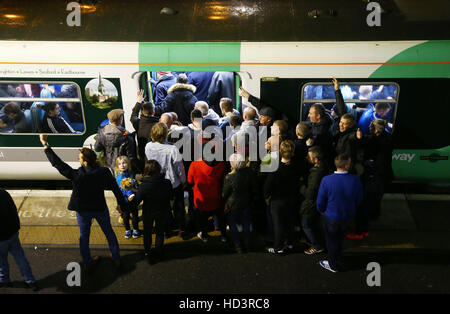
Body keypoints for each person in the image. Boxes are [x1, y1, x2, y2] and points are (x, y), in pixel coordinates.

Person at [39, 134, 126, 271]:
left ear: (85, 162)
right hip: (99, 208)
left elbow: (58, 164)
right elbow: (116, 189)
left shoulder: (77, 175)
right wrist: (122, 205)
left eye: (79, 158)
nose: (78, 160)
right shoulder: (104, 172)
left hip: (82, 211)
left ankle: (87, 262)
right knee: (109, 232)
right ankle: (116, 258)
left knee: (84, 237)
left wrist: (45, 144)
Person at [347, 119, 393, 239]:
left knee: (362, 206)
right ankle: (366, 228)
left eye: (370, 128)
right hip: (383, 176)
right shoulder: (388, 138)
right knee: (374, 202)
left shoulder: (374, 140)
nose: (369, 129)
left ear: (375, 130)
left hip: (372, 176)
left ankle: (359, 232)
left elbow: (364, 151)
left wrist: (359, 139)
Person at [316, 154, 363, 272]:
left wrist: (322, 211)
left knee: (331, 241)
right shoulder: (356, 180)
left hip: (331, 217)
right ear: (347, 165)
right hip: (347, 216)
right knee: (340, 238)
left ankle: (333, 265)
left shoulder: (326, 180)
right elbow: (359, 200)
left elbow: (320, 202)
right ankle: (338, 256)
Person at [145, 122, 187, 239]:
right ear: (165, 134)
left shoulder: (148, 147)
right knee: (178, 207)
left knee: (163, 208)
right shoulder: (173, 149)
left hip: (158, 183)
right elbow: (180, 168)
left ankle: (166, 231)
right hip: (173, 183)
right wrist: (184, 181)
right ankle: (182, 229)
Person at [263, 140, 302, 254]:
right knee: (290, 221)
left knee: (278, 224)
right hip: (291, 198)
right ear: (293, 153)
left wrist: (266, 197)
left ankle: (278, 247)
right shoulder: (296, 167)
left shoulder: (275, 169)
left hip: (277, 200)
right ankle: (290, 243)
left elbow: (267, 186)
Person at [131, 160, 173, 264]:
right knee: (159, 233)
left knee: (147, 232)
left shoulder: (144, 185)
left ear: (147, 171)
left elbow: (137, 201)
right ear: (158, 170)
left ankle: (147, 252)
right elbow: (171, 196)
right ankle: (159, 251)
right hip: (162, 211)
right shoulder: (166, 183)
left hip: (148, 212)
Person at [187, 141, 227, 243]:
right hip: (216, 196)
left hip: (201, 198)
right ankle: (223, 235)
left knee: (202, 220)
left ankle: (204, 235)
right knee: (220, 217)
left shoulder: (195, 164)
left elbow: (190, 180)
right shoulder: (221, 163)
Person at [0, 189, 39, 291]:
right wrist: (16, 227)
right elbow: (13, 210)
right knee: (21, 258)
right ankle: (30, 281)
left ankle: (4, 280)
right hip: (12, 233)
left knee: (1, 260)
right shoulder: (3, 193)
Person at [222, 153, 259, 253]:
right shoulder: (250, 173)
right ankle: (247, 244)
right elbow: (254, 188)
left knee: (232, 223)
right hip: (247, 203)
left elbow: (224, 194)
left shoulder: (229, 177)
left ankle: (237, 245)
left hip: (233, 205)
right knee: (246, 223)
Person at [300, 147, 329, 255]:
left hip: (310, 204)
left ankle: (317, 246)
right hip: (318, 202)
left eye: (309, 157)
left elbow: (309, 193)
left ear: (316, 159)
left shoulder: (316, 174)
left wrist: (301, 186)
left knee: (306, 225)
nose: (307, 158)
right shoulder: (323, 168)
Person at [130, 90, 159, 169]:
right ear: (154, 112)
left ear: (142, 112)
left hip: (143, 155)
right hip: (157, 156)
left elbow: (134, 115)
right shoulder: (159, 125)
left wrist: (139, 102)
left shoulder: (138, 123)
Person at [114, 156, 142, 239]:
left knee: (132, 215)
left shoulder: (130, 173)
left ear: (128, 164)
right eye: (120, 164)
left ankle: (132, 230)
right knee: (127, 216)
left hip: (130, 200)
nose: (122, 165)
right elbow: (120, 189)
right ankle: (130, 230)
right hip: (125, 200)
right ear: (117, 166)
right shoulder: (119, 177)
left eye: (124, 163)